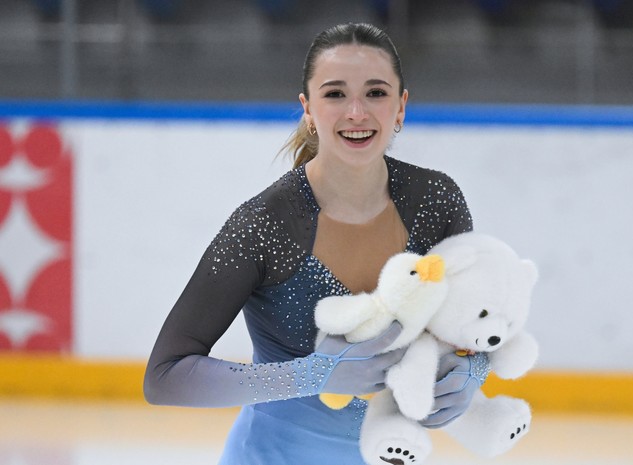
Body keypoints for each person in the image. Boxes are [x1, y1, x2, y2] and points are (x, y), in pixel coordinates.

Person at [143, 22, 490, 464]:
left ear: (401, 107)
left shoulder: (437, 202)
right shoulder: (264, 225)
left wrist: (472, 371)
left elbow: (479, 326)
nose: (357, 112)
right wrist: (312, 375)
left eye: (376, 93)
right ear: (308, 109)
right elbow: (165, 376)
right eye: (335, 94)